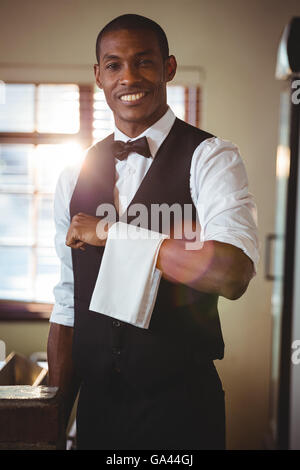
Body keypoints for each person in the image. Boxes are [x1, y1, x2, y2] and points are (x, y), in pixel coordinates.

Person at [47, 14, 259, 450]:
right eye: (114, 65)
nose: (129, 77)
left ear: (169, 68)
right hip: (98, 410)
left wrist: (113, 234)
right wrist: (51, 424)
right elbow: (68, 305)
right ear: (98, 75)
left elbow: (233, 274)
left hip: (181, 407)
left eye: (144, 62)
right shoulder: (73, 174)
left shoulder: (211, 158)